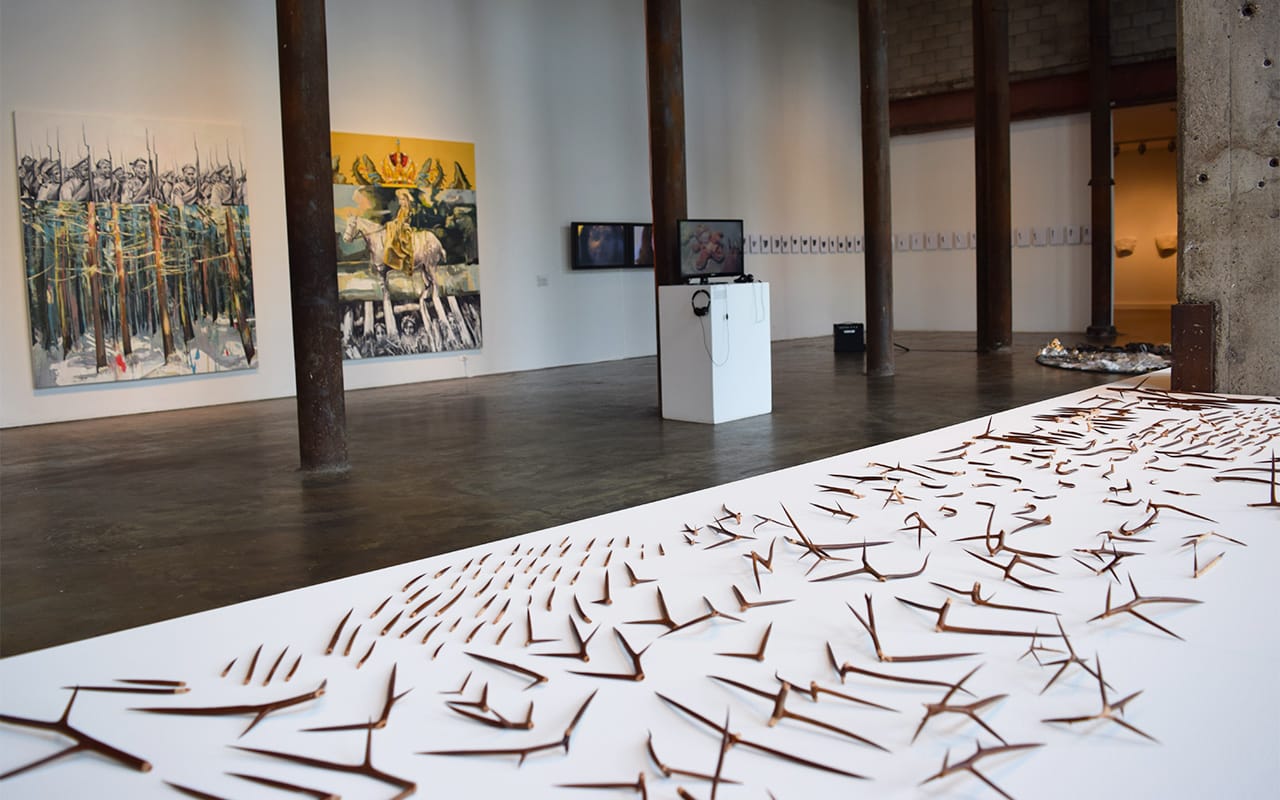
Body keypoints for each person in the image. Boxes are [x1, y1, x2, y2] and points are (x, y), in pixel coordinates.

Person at [383, 188, 416, 272]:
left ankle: (400, 261)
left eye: (403, 199)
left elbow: (404, 221)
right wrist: (393, 223)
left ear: (407, 200)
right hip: (399, 228)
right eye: (400, 199)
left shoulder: (407, 210)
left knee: (393, 242)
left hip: (404, 230)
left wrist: (395, 224)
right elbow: (398, 219)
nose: (401, 201)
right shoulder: (401, 209)